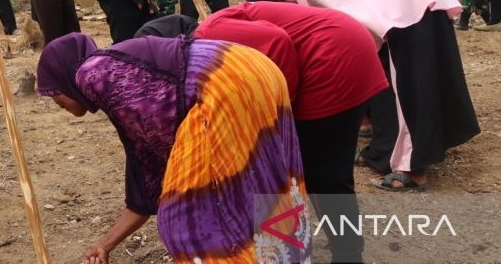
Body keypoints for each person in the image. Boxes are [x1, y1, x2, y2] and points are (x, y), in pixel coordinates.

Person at [136, 3, 389, 263]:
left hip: (331, 54)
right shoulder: (208, 42)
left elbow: (278, 42)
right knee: (325, 170)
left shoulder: (209, 35)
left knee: (324, 175)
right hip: (340, 46)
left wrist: (282, 111)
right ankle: (342, 246)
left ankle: (348, 255)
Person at [37, 33, 310, 263]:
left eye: (52, 91)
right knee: (262, 183)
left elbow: (162, 152)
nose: (55, 102)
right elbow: (145, 182)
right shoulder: (119, 72)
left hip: (222, 84)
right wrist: (105, 245)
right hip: (255, 69)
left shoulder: (91, 72)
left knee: (185, 215)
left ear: (63, 74)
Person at [270, 0, 480, 191]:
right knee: (396, 79)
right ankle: (385, 149)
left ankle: (412, 168)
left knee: (410, 87)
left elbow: (350, 35)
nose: (285, 6)